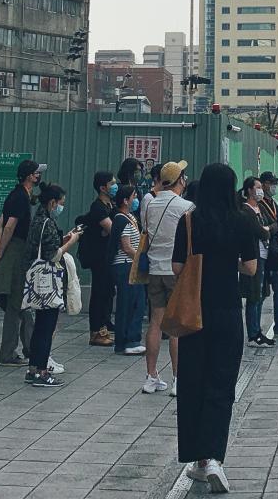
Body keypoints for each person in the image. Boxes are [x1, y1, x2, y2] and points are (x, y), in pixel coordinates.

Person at [176, 163, 259, 494]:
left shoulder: (189, 220)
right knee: (221, 383)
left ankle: (198, 459)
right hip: (228, 310)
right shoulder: (242, 220)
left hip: (194, 312)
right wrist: (228, 262)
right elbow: (250, 268)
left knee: (193, 382)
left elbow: (177, 266)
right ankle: (213, 460)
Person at [140, 160, 193, 394]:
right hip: (176, 270)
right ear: (180, 180)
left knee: (155, 322)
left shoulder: (150, 203)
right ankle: (178, 379)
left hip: (154, 269)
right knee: (176, 327)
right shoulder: (186, 206)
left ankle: (151, 376)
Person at [0, 159, 44, 366]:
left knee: (21, 307)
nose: (39, 176)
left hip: (13, 250)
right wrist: (0, 252)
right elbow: (9, 226)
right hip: (16, 251)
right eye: (36, 173)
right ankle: (8, 354)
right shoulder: (19, 197)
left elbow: (0, 224)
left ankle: (29, 348)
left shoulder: (19, 195)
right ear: (29, 176)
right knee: (16, 304)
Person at [24, 184, 82, 388]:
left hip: (36, 281)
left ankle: (33, 369)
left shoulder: (37, 220)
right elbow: (53, 255)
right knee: (46, 328)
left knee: (40, 326)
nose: (61, 207)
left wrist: (63, 239)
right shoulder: (47, 223)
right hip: (48, 283)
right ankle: (42, 372)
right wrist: (71, 241)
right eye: (61, 203)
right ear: (52, 203)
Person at [81, 171, 118, 346]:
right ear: (103, 188)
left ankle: (105, 325)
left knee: (108, 292)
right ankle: (96, 331)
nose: (115, 186)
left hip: (109, 256)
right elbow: (114, 229)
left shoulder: (111, 205)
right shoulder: (98, 207)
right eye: (112, 184)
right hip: (99, 257)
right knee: (99, 293)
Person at [110, 184, 147, 355]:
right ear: (125, 200)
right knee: (129, 303)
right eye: (134, 197)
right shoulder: (121, 219)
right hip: (126, 265)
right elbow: (126, 246)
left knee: (136, 302)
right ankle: (129, 340)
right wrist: (140, 259)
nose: (136, 200)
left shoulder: (130, 217)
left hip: (131, 264)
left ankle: (128, 340)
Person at [241, 176, 274, 346]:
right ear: (249, 190)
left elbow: (274, 225)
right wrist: (266, 230)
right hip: (254, 256)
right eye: (258, 187)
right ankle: (253, 334)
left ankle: (258, 330)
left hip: (265, 255)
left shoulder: (261, 207)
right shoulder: (245, 210)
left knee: (262, 294)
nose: (260, 190)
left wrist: (266, 229)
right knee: (253, 295)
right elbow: (260, 232)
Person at [256, 171, 278, 337]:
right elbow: (263, 228)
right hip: (263, 253)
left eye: (276, 183)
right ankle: (256, 329)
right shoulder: (258, 204)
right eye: (272, 183)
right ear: (263, 184)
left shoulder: (274, 203)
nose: (274, 186)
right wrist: (273, 227)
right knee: (260, 293)